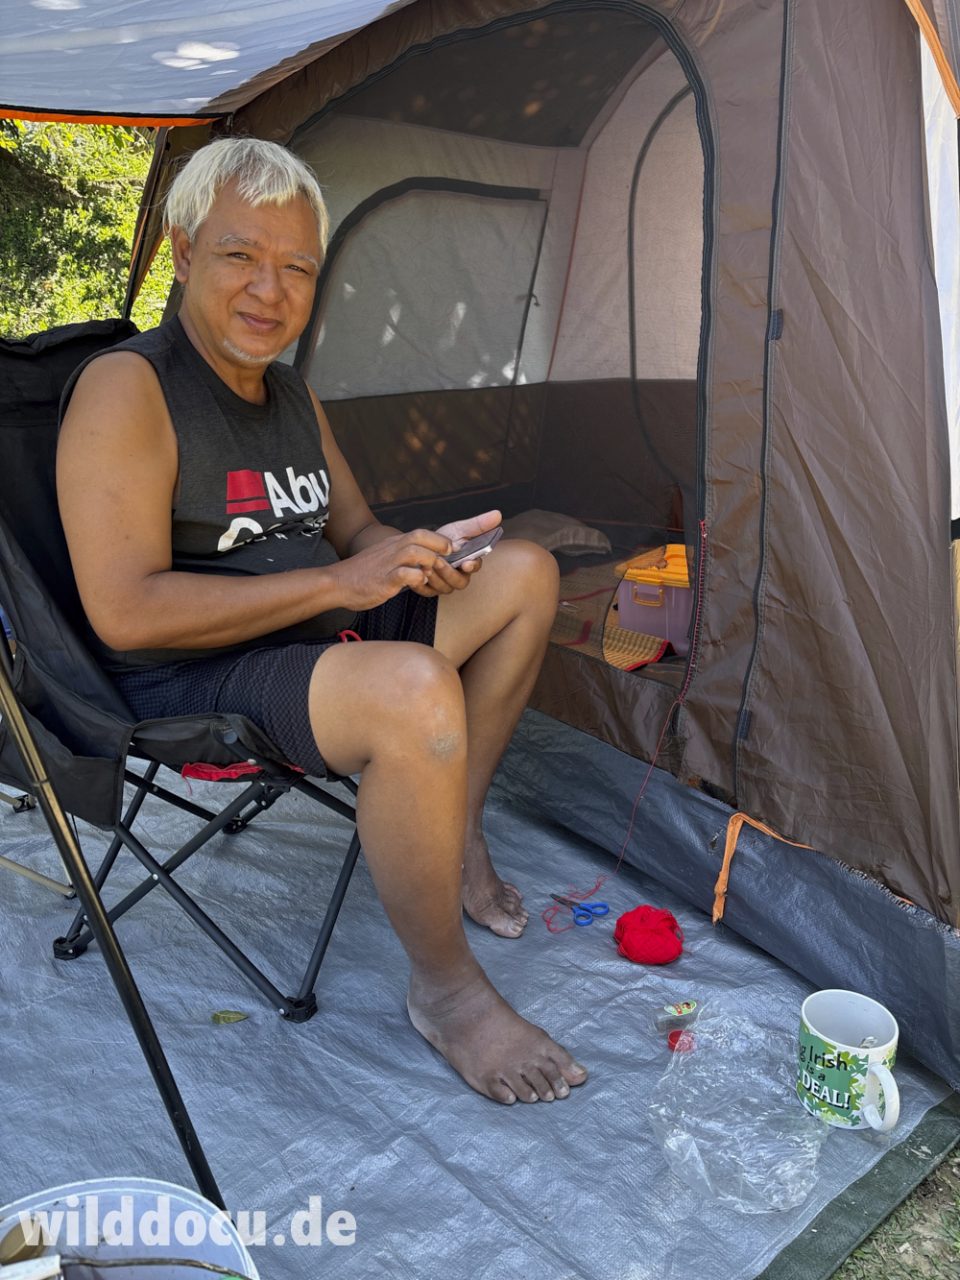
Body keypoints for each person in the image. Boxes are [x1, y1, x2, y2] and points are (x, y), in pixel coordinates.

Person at [57, 137, 587, 1106]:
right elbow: (126, 612)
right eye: (241, 255)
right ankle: (447, 991)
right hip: (192, 675)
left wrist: (416, 554)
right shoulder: (130, 387)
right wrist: (342, 582)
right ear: (183, 251)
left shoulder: (290, 391)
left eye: (297, 267)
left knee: (523, 571)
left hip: (314, 635)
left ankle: (457, 828)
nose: (271, 290)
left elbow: (357, 530)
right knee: (413, 689)